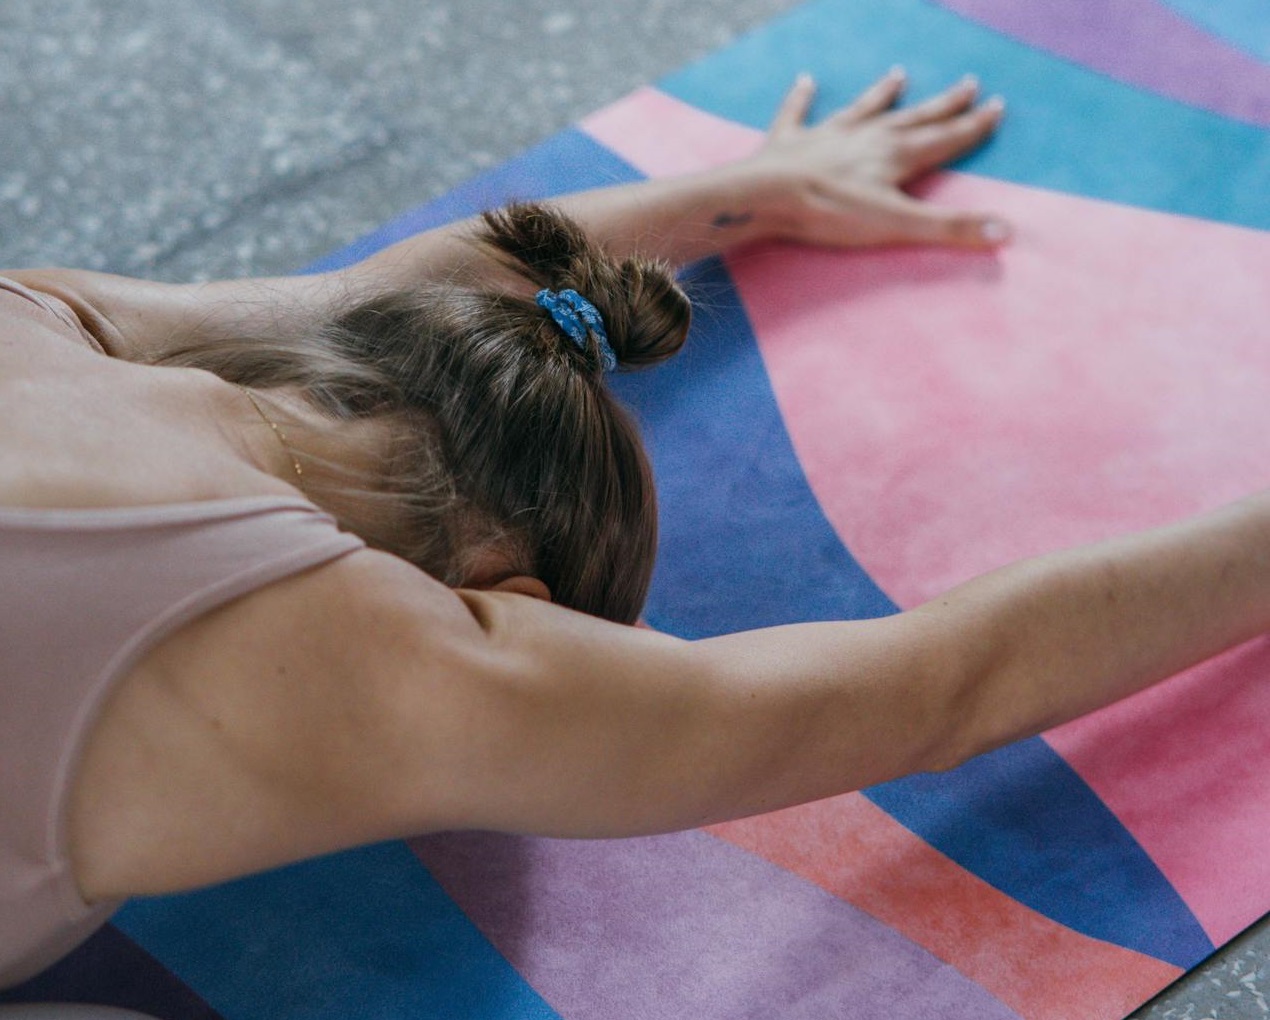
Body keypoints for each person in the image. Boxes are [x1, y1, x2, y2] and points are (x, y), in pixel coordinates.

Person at [1, 68, 1264, 990]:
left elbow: (361, 293)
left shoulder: (44, 321)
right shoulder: (408, 668)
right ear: (514, 600)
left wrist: (750, 190)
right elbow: (947, 682)